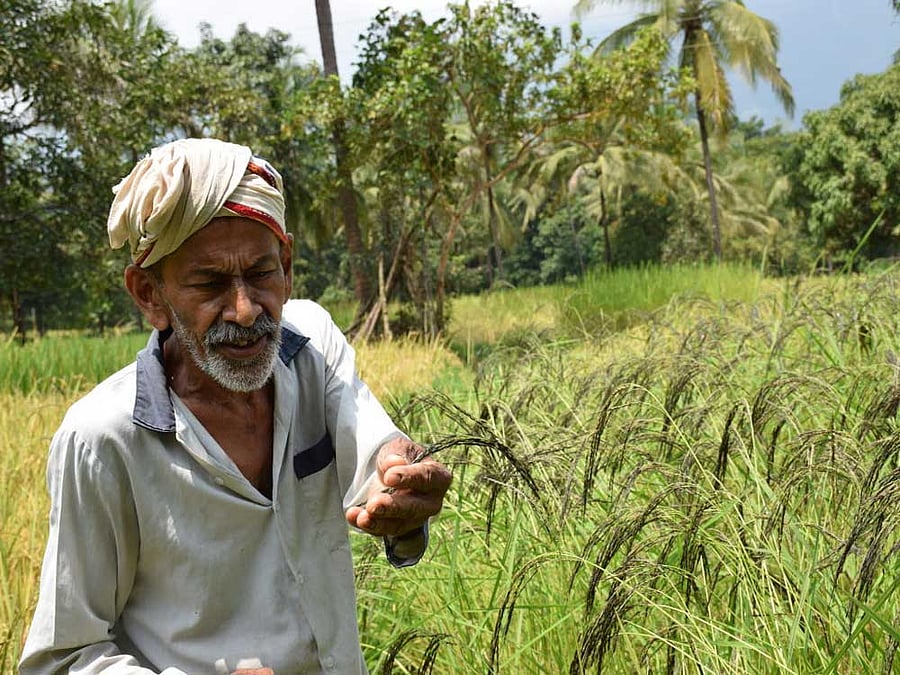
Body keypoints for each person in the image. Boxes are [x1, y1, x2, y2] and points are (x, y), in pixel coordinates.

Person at [18, 138, 452, 675]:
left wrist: (401, 489)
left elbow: (372, 457)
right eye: (210, 283)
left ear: (287, 265)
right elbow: (61, 658)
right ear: (150, 295)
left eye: (261, 274)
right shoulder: (102, 439)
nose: (246, 311)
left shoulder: (311, 345)